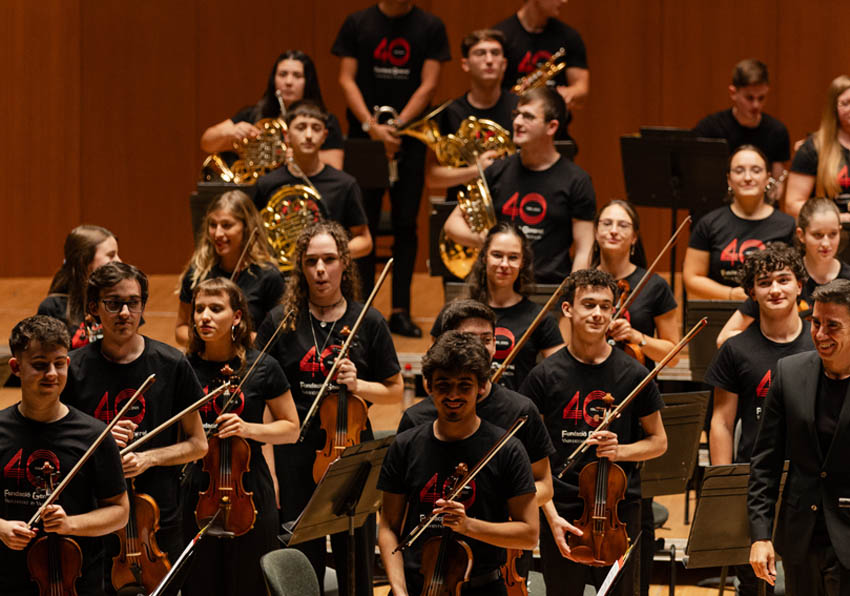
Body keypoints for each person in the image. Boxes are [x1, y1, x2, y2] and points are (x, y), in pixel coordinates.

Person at [256, 221, 402, 596]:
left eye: (329, 259)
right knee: (303, 562)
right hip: (296, 454)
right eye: (311, 261)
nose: (320, 269)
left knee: (355, 562)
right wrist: (271, 470)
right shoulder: (280, 322)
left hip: (352, 452)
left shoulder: (367, 320)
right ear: (301, 268)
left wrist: (358, 385)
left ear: (344, 264)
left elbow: (394, 391)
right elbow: (264, 403)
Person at [520, 269, 667, 595]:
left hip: (620, 511)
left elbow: (659, 442)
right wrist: (552, 516)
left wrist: (622, 451)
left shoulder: (635, 373)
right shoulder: (543, 376)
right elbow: (530, 456)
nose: (598, 313)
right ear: (568, 309)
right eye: (588, 304)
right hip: (563, 508)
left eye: (605, 306)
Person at [62, 262, 208, 568]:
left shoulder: (172, 364)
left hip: (157, 519)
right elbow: (60, 451)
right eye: (114, 304)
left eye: (133, 302)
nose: (125, 313)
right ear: (94, 308)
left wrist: (148, 458)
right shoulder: (72, 370)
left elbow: (198, 444)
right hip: (94, 519)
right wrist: (99, 443)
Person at [406, 298, 554, 591]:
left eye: (488, 339)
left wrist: (502, 505)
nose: (483, 347)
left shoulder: (521, 411)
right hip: (430, 558)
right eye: (471, 339)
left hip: (499, 549)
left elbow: (545, 484)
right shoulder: (416, 419)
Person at [379, 331, 539, 596]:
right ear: (428, 386)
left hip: (483, 588)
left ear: (482, 387)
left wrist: (468, 526)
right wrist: (399, 590)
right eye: (443, 385)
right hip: (415, 585)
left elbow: (529, 534)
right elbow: (388, 527)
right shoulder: (405, 445)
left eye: (464, 385)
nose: (453, 395)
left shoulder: (507, 449)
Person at [332, 0, 451, 337]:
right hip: (365, 139)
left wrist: (396, 126)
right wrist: (373, 127)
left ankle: (401, 310)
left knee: (405, 226)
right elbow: (346, 80)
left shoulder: (430, 26)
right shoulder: (357, 22)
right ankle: (360, 310)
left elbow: (428, 85)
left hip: (408, 140)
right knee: (361, 225)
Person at [181, 278, 300, 596]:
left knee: (251, 585)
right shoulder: (183, 368)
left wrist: (248, 429)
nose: (204, 316)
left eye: (216, 309)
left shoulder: (264, 367)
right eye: (199, 309)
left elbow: (291, 429)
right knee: (200, 585)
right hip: (198, 490)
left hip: (250, 490)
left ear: (236, 317)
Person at [706, 245, 813, 595]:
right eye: (764, 282)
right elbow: (722, 422)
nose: (775, 289)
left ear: (800, 285)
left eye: (784, 279)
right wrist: (724, 487)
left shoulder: (819, 342)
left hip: (808, 479)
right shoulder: (736, 349)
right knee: (752, 583)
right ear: (751, 292)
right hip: (754, 481)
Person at [0, 315, 129, 596]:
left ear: (68, 364)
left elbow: (120, 512)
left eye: (59, 364)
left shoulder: (95, 435)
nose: (52, 374)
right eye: (39, 365)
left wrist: (71, 524)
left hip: (79, 584)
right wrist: (0, 528)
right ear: (16, 367)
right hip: (9, 581)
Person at [749, 278, 850, 593]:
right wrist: (760, 535)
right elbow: (765, 463)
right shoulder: (789, 373)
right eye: (815, 323)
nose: (820, 335)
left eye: (833, 326)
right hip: (799, 538)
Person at [444, 86, 596, 283]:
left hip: (547, 289)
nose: (516, 122)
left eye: (528, 117)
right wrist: (492, 241)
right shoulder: (496, 170)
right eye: (516, 114)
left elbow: (585, 248)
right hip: (497, 289)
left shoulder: (576, 180)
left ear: (552, 127)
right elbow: (452, 224)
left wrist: (572, 295)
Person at [440, 223, 563, 390]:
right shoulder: (455, 313)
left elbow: (559, 376)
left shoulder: (541, 318)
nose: (504, 264)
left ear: (522, 262)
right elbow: (432, 376)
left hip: (518, 412)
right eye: (497, 255)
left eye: (513, 257)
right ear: (484, 257)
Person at [717, 198, 850, 346]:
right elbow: (723, 338)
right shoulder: (783, 277)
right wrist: (774, 343)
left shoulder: (848, 280)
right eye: (817, 235)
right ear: (801, 235)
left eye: (832, 234)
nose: (826, 243)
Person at [253, 100, 373, 258]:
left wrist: (329, 255)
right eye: (301, 128)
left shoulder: (344, 184)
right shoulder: (266, 183)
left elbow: (364, 240)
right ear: (286, 136)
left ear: (324, 136)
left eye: (316, 128)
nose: (309, 135)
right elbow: (252, 237)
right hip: (279, 276)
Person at [684, 145, 796, 300]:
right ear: (729, 179)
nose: (748, 177)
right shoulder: (708, 223)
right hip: (720, 310)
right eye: (739, 171)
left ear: (767, 178)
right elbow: (692, 277)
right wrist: (730, 295)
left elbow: (796, 278)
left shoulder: (787, 225)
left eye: (756, 170)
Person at [200, 50, 344, 169]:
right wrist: (231, 132)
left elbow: (335, 165)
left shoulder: (325, 120)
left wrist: (294, 156)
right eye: (282, 74)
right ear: (273, 79)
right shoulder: (253, 114)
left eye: (297, 75)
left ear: (308, 82)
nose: (288, 82)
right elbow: (207, 142)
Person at [176, 190, 284, 346]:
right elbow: (180, 331)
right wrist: (210, 338)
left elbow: (278, 338)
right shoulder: (197, 273)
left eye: (227, 225)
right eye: (213, 225)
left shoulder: (269, 276)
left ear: (246, 227)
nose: (218, 233)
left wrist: (230, 338)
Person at [425, 29, 518, 200]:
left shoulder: (521, 109)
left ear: (504, 64)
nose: (489, 60)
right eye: (480, 53)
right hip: (464, 211)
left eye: (495, 53)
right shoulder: (449, 113)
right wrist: (477, 170)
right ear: (465, 64)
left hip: (513, 205)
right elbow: (432, 178)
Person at [693, 59, 790, 200]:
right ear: (733, 93)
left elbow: (776, 189)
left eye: (761, 98)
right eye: (749, 98)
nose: (756, 105)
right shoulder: (709, 128)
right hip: (717, 208)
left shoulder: (777, 131)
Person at [493, 0, 589, 125]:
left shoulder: (569, 37)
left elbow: (581, 88)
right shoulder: (501, 37)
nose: (564, 1)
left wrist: (568, 93)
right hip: (512, 125)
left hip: (554, 129)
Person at [38, 224, 121, 348]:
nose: (119, 261)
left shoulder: (121, 298)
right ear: (85, 260)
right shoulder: (53, 307)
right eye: (111, 255)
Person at [784, 74, 850, 222]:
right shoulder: (813, 148)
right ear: (833, 108)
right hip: (829, 234)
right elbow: (792, 204)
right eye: (845, 103)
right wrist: (840, 218)